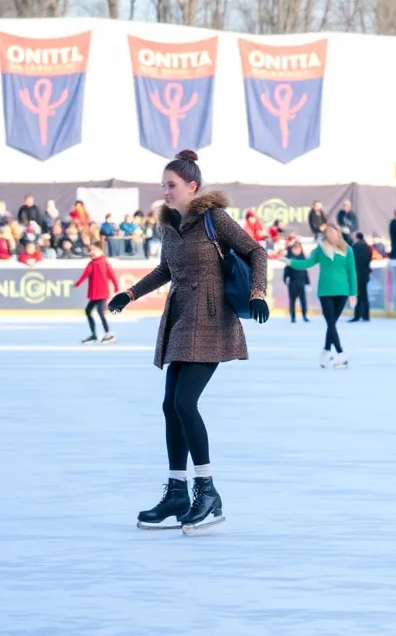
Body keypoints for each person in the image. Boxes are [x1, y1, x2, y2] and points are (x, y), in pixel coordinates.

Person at [108, 150, 269, 534]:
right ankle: (177, 491)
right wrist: (129, 294)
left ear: (192, 187)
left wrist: (258, 292)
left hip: (213, 320)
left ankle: (207, 492)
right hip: (180, 318)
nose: (165, 191)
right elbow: (166, 268)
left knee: (184, 401)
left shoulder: (213, 219)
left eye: (171, 185)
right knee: (170, 405)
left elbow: (256, 250)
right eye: (164, 184)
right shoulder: (168, 226)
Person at [286, 223, 356, 368]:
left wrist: (353, 293)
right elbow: (307, 263)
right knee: (330, 323)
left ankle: (325, 352)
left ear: (338, 234)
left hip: (342, 291)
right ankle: (341, 353)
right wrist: (289, 262)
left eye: (334, 233)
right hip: (325, 291)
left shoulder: (347, 250)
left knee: (332, 324)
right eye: (329, 233)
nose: (331, 235)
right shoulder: (320, 250)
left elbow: (352, 272)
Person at [75, 242, 119, 344]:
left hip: (102, 293)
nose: (92, 252)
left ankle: (108, 333)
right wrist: (78, 283)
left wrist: (116, 286)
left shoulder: (104, 262)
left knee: (100, 311)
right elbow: (85, 274)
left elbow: (111, 275)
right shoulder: (91, 263)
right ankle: (94, 334)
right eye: (91, 250)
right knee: (88, 311)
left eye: (94, 250)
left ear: (101, 251)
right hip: (94, 294)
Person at [283, 241, 312, 323]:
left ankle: (304, 316)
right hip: (292, 281)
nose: (297, 250)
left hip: (302, 281)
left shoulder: (303, 257)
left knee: (303, 300)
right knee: (292, 300)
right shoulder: (289, 256)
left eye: (298, 248)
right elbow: (286, 269)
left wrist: (308, 282)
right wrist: (285, 278)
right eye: (295, 248)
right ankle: (293, 317)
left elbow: (305, 270)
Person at [348, 232, 373, 322]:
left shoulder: (354, 247)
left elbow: (351, 260)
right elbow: (369, 258)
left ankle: (357, 315)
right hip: (365, 274)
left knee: (357, 295)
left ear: (356, 238)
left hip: (357, 274)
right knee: (364, 295)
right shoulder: (367, 247)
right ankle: (366, 315)